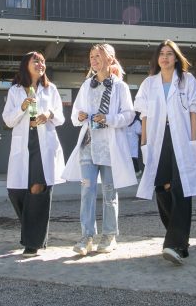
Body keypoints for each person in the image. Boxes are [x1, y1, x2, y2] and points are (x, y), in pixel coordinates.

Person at [135, 40, 196, 266]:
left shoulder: (187, 80)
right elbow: (144, 116)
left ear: (176, 58)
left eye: (169, 54)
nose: (165, 57)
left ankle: (174, 242)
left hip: (182, 138)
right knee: (162, 187)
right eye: (161, 54)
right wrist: (144, 144)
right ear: (157, 59)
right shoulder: (149, 83)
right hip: (158, 139)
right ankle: (178, 241)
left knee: (181, 187)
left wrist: (193, 140)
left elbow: (195, 110)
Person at [63, 43, 136, 256]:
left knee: (109, 192)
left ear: (110, 59)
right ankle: (86, 236)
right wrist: (80, 116)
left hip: (109, 147)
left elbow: (129, 115)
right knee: (87, 191)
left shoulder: (120, 87)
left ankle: (109, 235)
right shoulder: (87, 85)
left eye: (98, 56)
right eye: (91, 56)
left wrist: (109, 119)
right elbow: (75, 113)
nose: (94, 60)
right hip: (88, 145)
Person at [3, 51, 65, 258]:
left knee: (37, 189)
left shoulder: (51, 89)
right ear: (26, 65)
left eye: (42, 61)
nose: (40, 64)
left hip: (43, 144)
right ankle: (34, 231)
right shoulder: (15, 91)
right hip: (23, 143)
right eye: (35, 60)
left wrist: (49, 114)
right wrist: (22, 107)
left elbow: (60, 117)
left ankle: (32, 243)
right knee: (16, 192)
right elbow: (8, 121)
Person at [127, 112, 142, 178]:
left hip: (126, 142)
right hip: (133, 142)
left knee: (127, 157)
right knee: (133, 157)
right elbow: (139, 131)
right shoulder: (136, 122)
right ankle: (137, 171)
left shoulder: (124, 122)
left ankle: (129, 173)